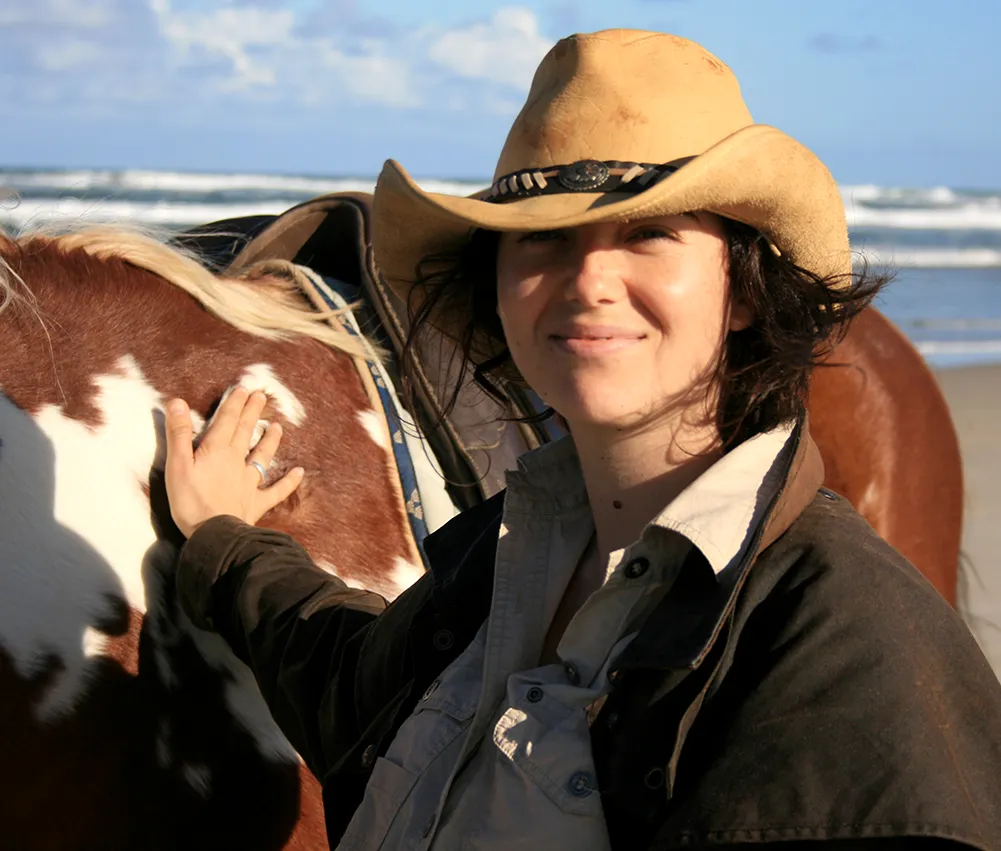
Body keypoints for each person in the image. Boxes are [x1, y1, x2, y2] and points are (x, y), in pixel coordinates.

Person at [164, 29, 1001, 850]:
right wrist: (225, 541)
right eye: (543, 236)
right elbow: (356, 686)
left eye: (649, 233)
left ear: (741, 288)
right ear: (498, 284)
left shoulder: (845, 642)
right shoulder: (507, 558)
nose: (589, 280)